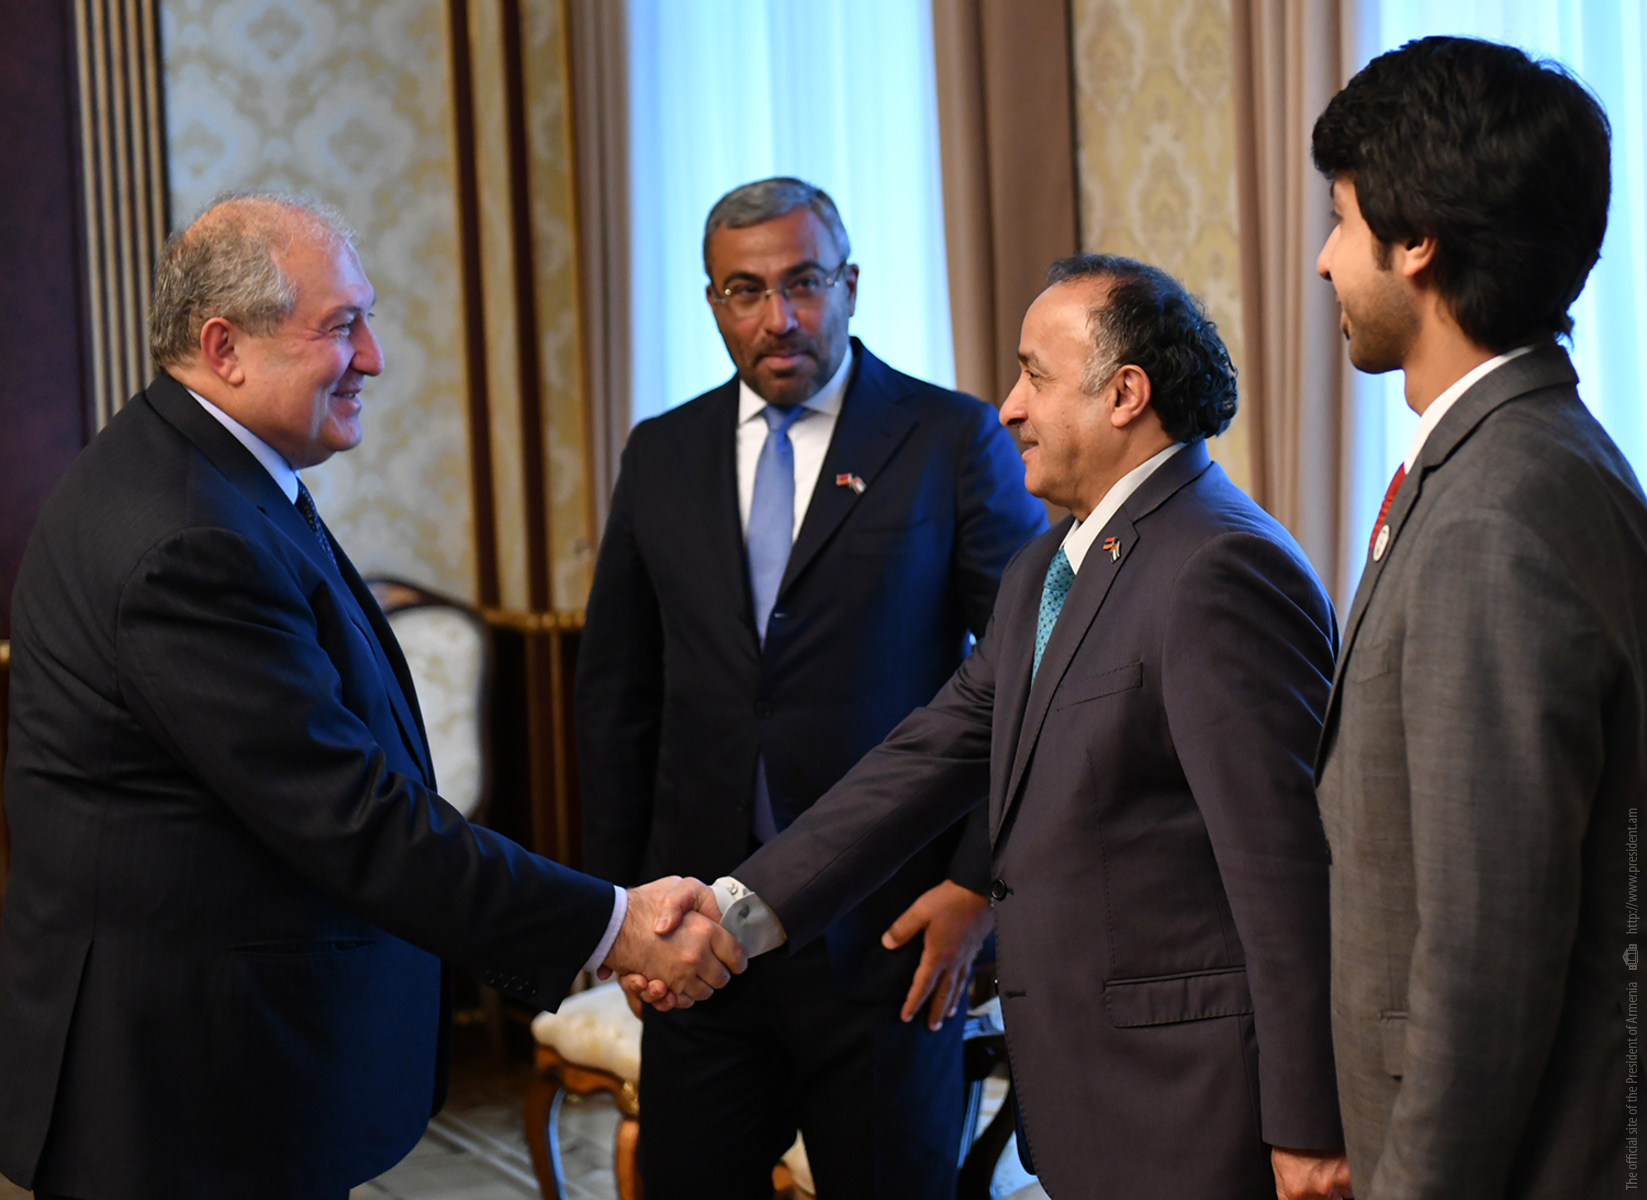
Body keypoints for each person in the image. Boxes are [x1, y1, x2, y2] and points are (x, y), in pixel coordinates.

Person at [0, 193, 743, 1200]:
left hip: (216, 1070)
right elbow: (350, 816)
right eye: (341, 326)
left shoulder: (203, 479)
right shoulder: (189, 536)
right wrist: (611, 925)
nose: (374, 358)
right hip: (190, 1094)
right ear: (224, 347)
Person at [642, 254, 1353, 1199]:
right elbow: (920, 760)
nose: (1009, 407)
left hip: (1192, 1102)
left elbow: (1287, 869)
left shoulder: (1219, 567)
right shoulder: (1044, 567)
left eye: (1034, 376)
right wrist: (737, 909)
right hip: (1094, 1089)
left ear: (1124, 395)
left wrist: (1309, 1121)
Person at [576, 176, 1045, 1198]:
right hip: (697, 936)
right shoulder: (662, 452)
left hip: (887, 938)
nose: (778, 318)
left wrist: (975, 886)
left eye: (803, 283)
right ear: (713, 302)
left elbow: (1030, 673)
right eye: (745, 291)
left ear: (851, 285)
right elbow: (618, 694)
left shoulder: (949, 439)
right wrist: (615, 912)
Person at [1309, 37, 1645, 1197]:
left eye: (1341, 220)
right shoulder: (1518, 459)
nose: (1324, 260)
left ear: (1417, 242)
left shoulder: (1501, 509)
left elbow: (1483, 954)